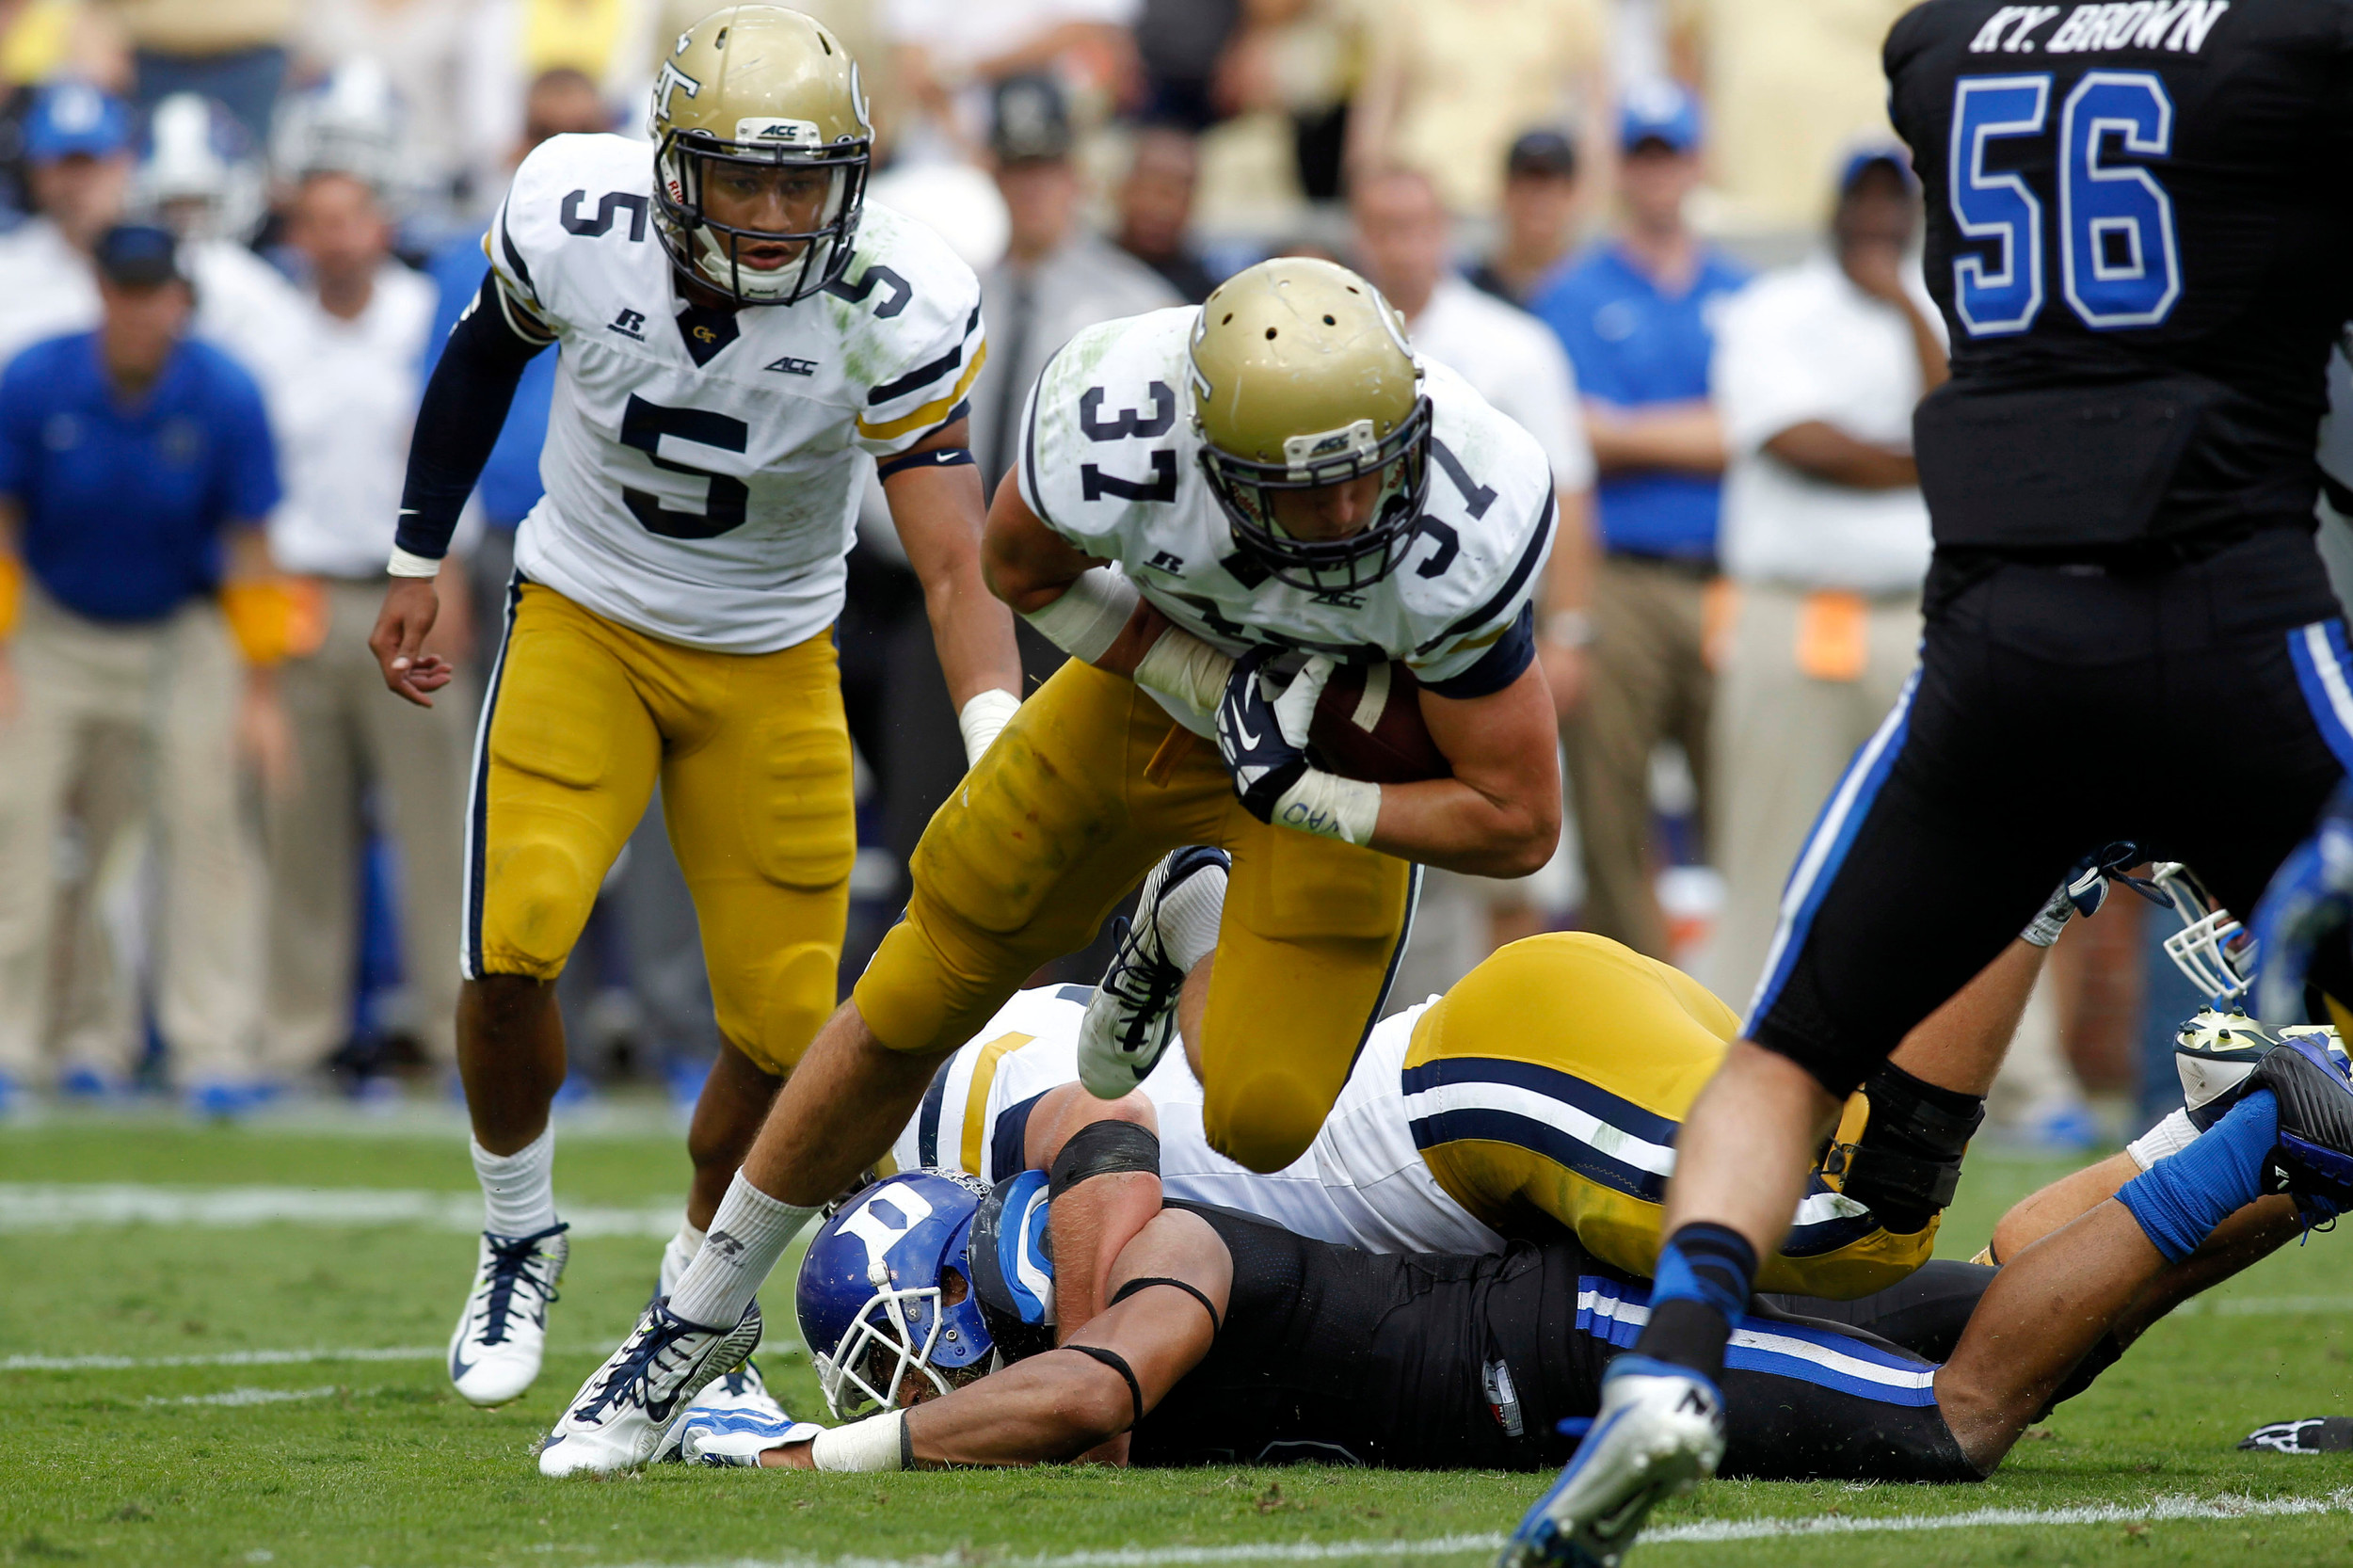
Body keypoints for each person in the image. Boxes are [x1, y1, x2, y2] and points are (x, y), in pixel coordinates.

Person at [1530, 5, 2353, 1562]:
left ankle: (1674, 1366)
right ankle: (2286, 1114)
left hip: (1996, 644)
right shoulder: (2280, 47)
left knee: (1780, 1055)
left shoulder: (1943, 51)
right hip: (2227, 616)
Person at [543, 251, 1567, 1475]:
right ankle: (689, 1319)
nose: (1349, 516)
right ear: (1214, 466)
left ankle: (1181, 927)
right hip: (1143, 698)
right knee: (918, 991)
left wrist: (1315, 792)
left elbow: (1520, 818)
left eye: (1363, 476)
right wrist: (1200, 682)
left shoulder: (1467, 514)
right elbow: (1016, 567)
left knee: (1260, 1115)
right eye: (1305, 494)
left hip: (1321, 772)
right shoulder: (1119, 422)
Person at [364, 7, 1021, 1414]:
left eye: (807, 181)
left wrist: (994, 735)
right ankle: (518, 1225)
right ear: (674, 169)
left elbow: (958, 556)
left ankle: (690, 1305)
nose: (780, 213)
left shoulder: (893, 293)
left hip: (774, 652)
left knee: (788, 1037)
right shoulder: (574, 213)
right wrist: (419, 558)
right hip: (585, 615)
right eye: (744, 177)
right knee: (511, 943)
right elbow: (483, 355)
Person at [680, 1030, 2353, 1479]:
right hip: (1545, 1322)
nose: (928, 1386)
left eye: (912, 1354)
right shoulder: (1094, 1204)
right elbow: (1076, 1124)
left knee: (1960, 1412)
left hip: (1566, 1354)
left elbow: (1093, 1395)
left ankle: (2260, 1140)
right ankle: (2268, 1150)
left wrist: (824, 1454)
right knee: (2009, 1294)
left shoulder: (1139, 1271)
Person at [0, 223, 285, 1113]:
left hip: (180, 631)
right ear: (102, 294)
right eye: (123, 290)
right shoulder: (36, 379)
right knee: (20, 827)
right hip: (51, 628)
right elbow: (4, 524)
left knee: (205, 832)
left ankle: (213, 1046)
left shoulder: (225, 393)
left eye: (153, 291)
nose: (137, 308)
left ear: (177, 299)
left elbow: (251, 547)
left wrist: (261, 690)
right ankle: (22, 1043)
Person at [1702, 149, 1945, 1005]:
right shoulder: (1773, 306)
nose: (1877, 219)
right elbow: (1800, 445)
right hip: (1793, 613)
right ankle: (1737, 1032)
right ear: (1833, 207)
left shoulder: (1945, 303)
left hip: (1919, 614)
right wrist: (1923, 459)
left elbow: (1958, 421)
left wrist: (1906, 310)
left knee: (1948, 847)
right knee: (1773, 844)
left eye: (1894, 201)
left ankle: (1999, 1076)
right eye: (1862, 199)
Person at [1349, 165, 1596, 995]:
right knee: (1383, 858)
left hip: (1493, 639)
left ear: (1445, 232)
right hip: (1364, 646)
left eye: (1414, 224)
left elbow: (1571, 489)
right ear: (1359, 234)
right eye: (1381, 225)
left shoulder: (1512, 344)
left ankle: (1493, 1041)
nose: (1399, 244)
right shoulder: (1327, 340)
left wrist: (1570, 630)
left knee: (1513, 867)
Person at [1528, 83, 1749, 961]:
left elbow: (1757, 430)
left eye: (1673, 152)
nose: (1660, 172)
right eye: (1644, 154)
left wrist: (1631, 430)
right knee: (1613, 809)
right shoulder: (1572, 292)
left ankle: (1747, 999)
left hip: (1726, 573)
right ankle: (1645, 993)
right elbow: (1575, 433)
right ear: (1621, 169)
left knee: (1745, 798)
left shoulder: (1740, 290)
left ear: (1697, 163)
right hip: (1618, 570)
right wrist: (1706, 428)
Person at [261, 167, 469, 1083]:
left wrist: (452, 575)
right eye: (318, 223)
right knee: (299, 824)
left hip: (409, 589)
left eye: (351, 219)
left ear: (380, 226)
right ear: (296, 235)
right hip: (304, 588)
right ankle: (301, 1033)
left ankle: (450, 1032)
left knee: (436, 824)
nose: (337, 238)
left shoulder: (425, 316)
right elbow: (255, 487)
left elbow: (463, 446)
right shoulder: (269, 329)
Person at [966, 73, 1179, 498]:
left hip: (1084, 552)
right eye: (1018, 168)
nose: (1033, 189)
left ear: (1074, 172)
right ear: (993, 173)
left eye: (1046, 167)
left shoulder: (1139, 308)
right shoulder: (961, 301)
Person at [1467, 129, 1581, 308]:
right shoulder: (1469, 289)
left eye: (1550, 188)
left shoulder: (1593, 292)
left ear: (1572, 197)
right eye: (1526, 186)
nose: (1538, 201)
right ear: (1505, 193)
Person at [1111, 123, 1216, 305]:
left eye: (1176, 194)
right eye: (1148, 189)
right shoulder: (1079, 266)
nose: (1161, 210)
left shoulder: (1208, 296)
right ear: (1122, 190)